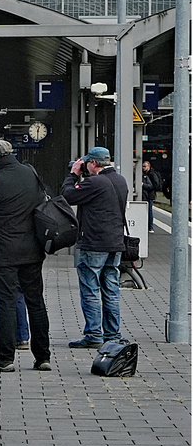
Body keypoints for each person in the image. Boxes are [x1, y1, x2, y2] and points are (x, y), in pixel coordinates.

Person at [0, 139, 53, 372]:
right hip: (32, 250)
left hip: (3, 252)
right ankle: (43, 357)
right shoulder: (30, 173)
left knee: (6, 302)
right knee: (36, 302)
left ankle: (5, 358)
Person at [62, 146, 126, 348]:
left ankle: (94, 334)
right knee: (111, 289)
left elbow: (67, 196)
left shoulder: (95, 182)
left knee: (90, 289)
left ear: (93, 164)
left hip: (94, 243)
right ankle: (113, 334)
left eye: (86, 163)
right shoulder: (120, 180)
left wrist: (73, 174)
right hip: (115, 243)